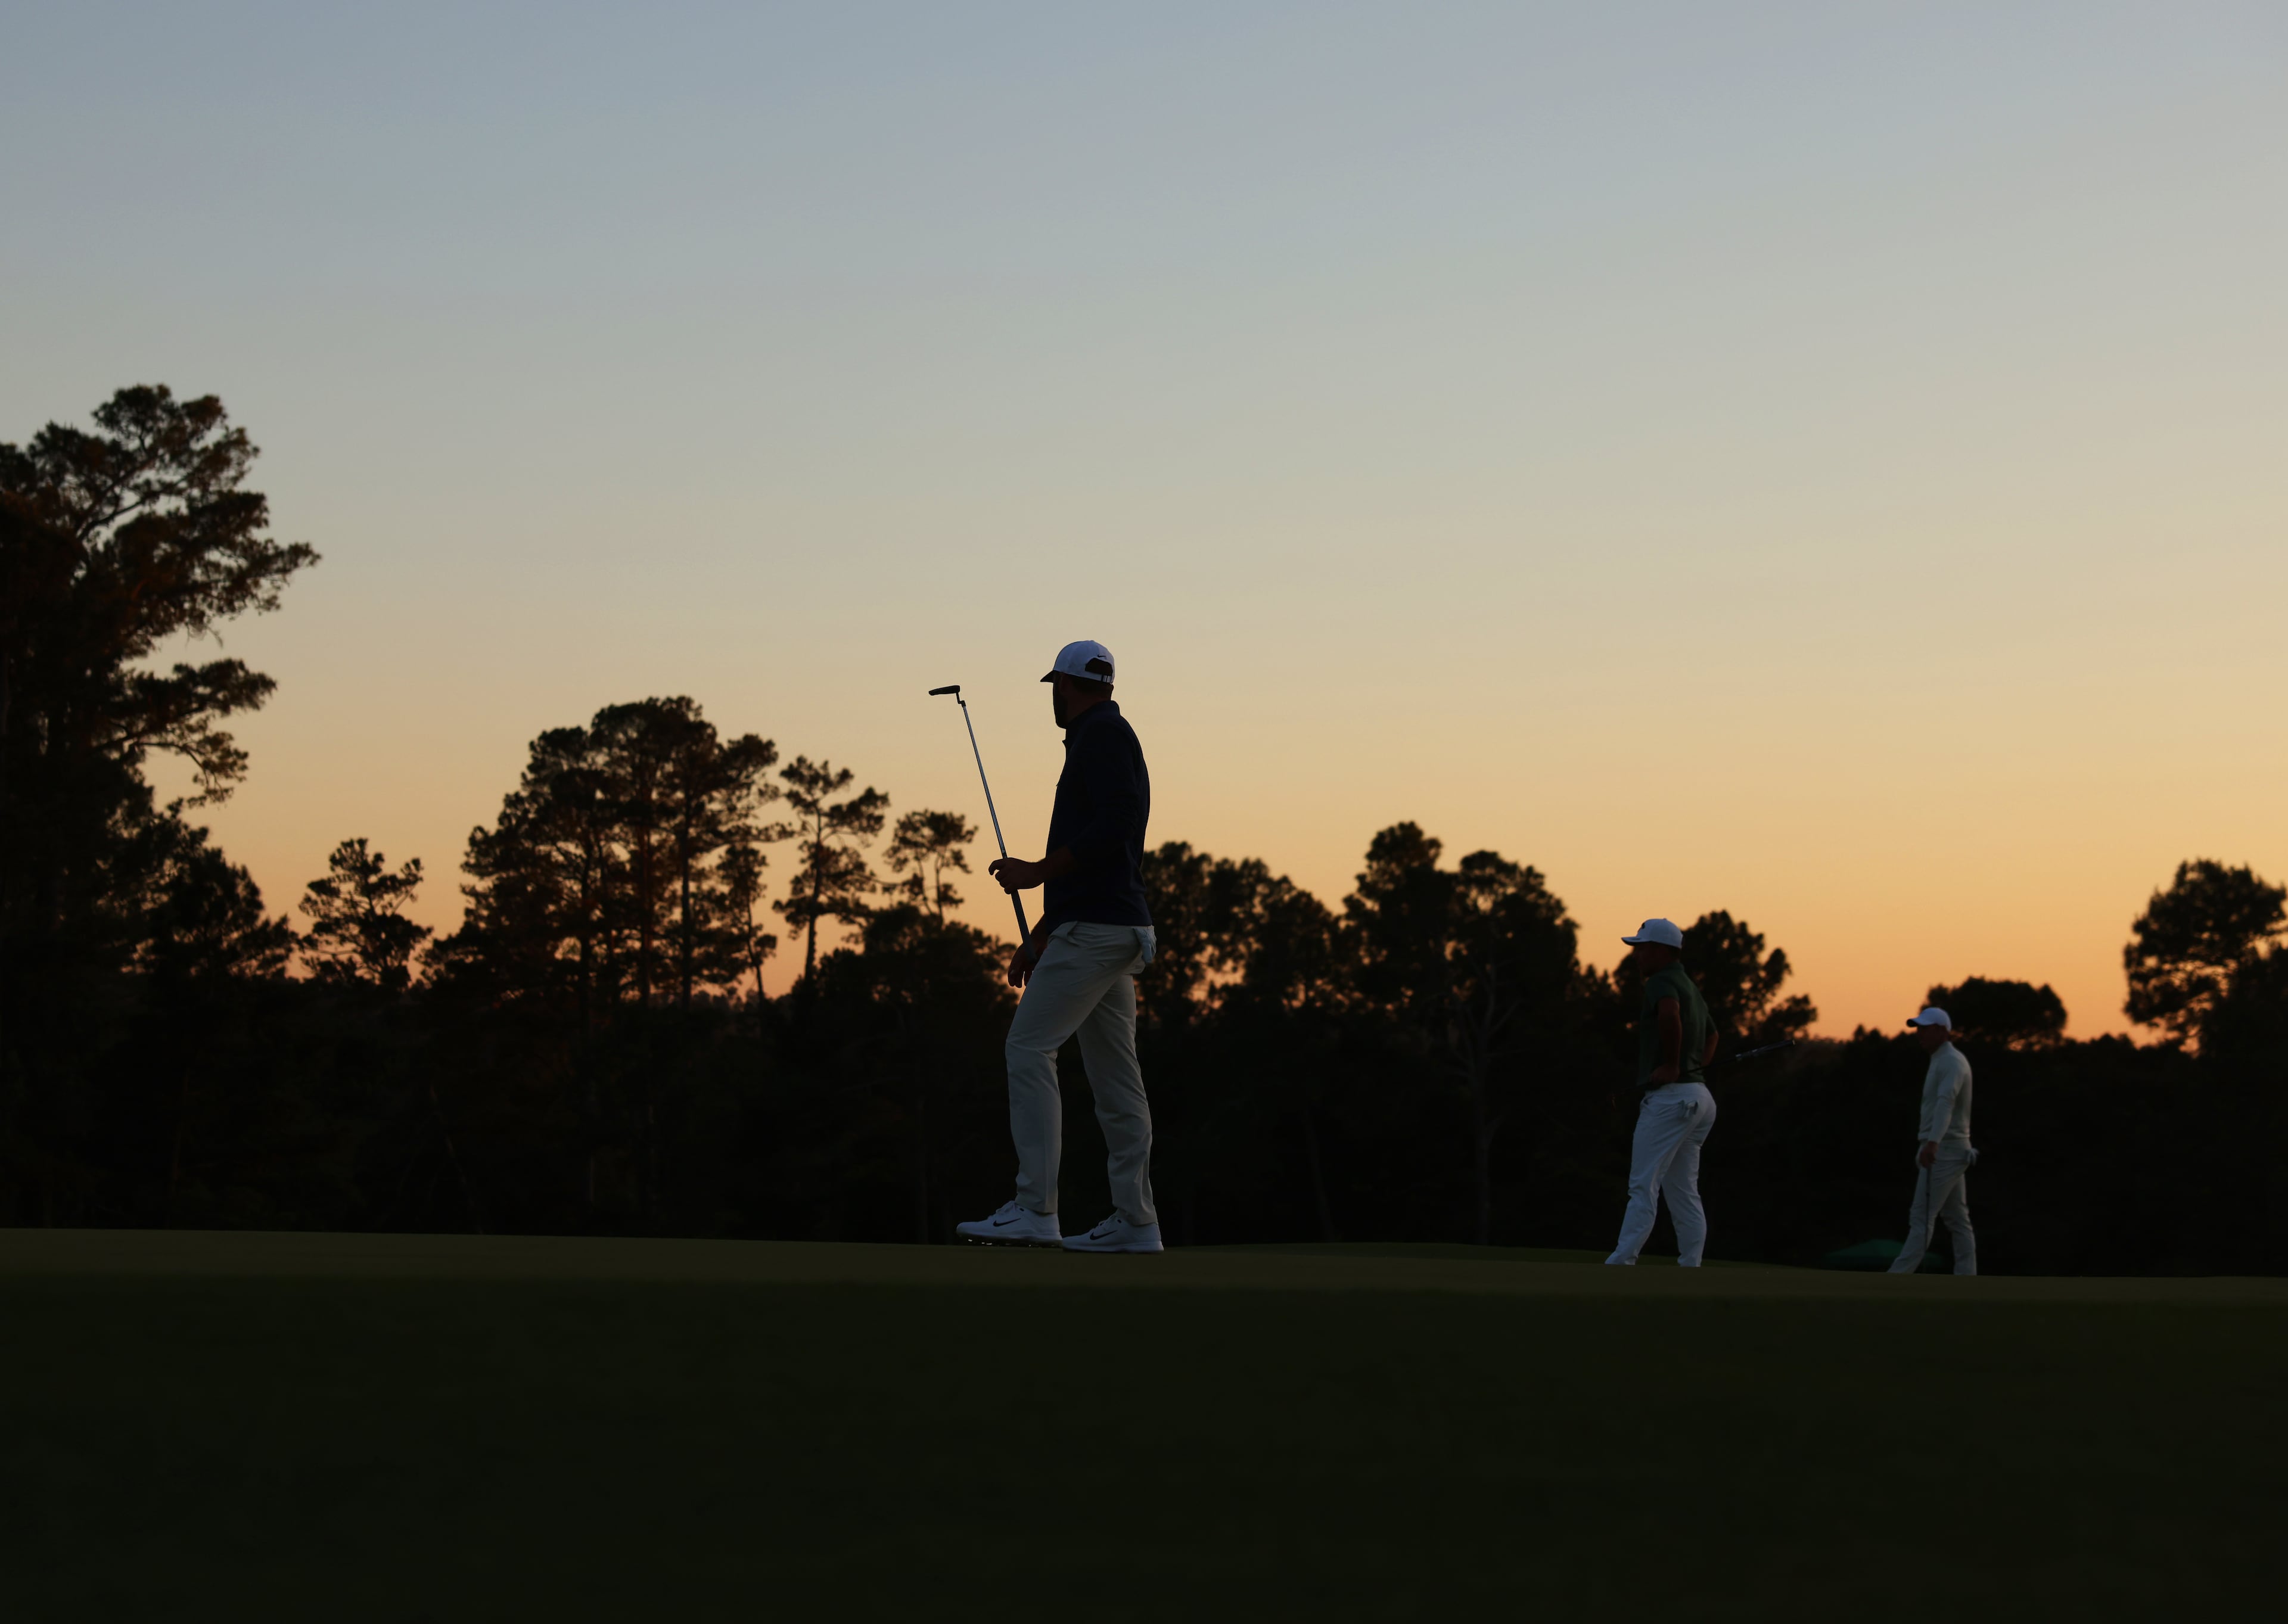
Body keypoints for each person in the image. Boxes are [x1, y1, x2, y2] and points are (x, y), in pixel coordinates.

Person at [954, 640, 1162, 1255]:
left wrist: (1039, 871)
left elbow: (1116, 823)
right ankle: (1137, 1222)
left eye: (1055, 685)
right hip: (1112, 927)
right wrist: (1042, 934)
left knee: (1028, 1046)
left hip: (1097, 929)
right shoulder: (1106, 734)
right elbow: (1105, 853)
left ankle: (1034, 1208)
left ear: (1066, 685)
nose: (1054, 694)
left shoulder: (1099, 736)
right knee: (1115, 1079)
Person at [1606, 917, 1721, 1267]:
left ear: (1660, 951)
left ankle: (1623, 1260)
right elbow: (1713, 1036)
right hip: (1699, 1099)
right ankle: (1691, 1263)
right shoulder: (1689, 984)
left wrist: (1673, 1065)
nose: (1637, 956)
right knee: (1683, 1189)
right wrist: (1693, 1069)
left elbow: (1669, 1016)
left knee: (1643, 1182)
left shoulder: (1661, 982)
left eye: (1641, 949)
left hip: (1672, 1099)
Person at [1888, 1006, 1978, 1275]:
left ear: (1942, 1031)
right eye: (1919, 1028)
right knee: (1957, 1220)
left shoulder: (1950, 1061)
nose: (1920, 1034)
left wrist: (1932, 1143)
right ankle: (1967, 1277)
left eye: (1925, 1029)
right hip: (1949, 1148)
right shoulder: (1942, 1059)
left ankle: (1897, 1276)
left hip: (1946, 1151)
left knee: (1921, 1217)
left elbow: (1945, 1102)